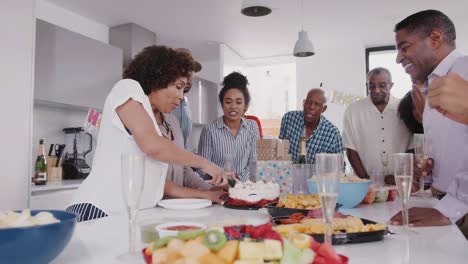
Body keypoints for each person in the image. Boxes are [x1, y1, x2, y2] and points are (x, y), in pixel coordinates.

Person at [67, 45, 228, 222]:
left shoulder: (154, 122)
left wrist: (208, 195)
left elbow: (160, 185)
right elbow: (153, 146)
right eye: (178, 86)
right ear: (158, 77)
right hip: (99, 209)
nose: (181, 96)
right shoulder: (127, 88)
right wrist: (206, 164)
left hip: (128, 216)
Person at [390, 10, 468, 236]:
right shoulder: (429, 88)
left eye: (404, 47)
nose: (398, 58)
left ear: (435, 39)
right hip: (444, 205)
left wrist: (449, 210)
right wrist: (428, 170)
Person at [342, 68, 412, 179]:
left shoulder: (404, 108)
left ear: (391, 85)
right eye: (372, 86)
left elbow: (411, 146)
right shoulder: (353, 110)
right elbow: (350, 149)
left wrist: (399, 176)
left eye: (382, 85)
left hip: (400, 182)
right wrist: (366, 180)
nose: (376, 90)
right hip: (364, 184)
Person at [198, 72, 260, 182]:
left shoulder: (252, 126)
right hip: (218, 188)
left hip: (245, 188)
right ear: (222, 103)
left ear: (245, 105)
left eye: (238, 102)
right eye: (228, 102)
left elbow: (254, 162)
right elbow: (203, 167)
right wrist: (222, 180)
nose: (233, 106)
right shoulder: (209, 130)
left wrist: (238, 182)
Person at [159, 112, 227, 204]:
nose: (180, 97)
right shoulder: (141, 123)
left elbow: (183, 170)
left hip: (178, 206)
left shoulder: (173, 120)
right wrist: (204, 194)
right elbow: (158, 183)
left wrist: (211, 189)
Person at [279, 88, 342, 164]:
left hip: (319, 175)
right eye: (308, 102)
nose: (311, 107)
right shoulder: (289, 119)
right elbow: (280, 152)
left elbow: (340, 167)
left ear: (323, 109)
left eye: (317, 104)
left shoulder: (332, 134)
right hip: (289, 174)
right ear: (303, 103)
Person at [171, 48, 202, 148]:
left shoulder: (185, 106)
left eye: (191, 71)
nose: (188, 77)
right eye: (184, 71)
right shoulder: (164, 105)